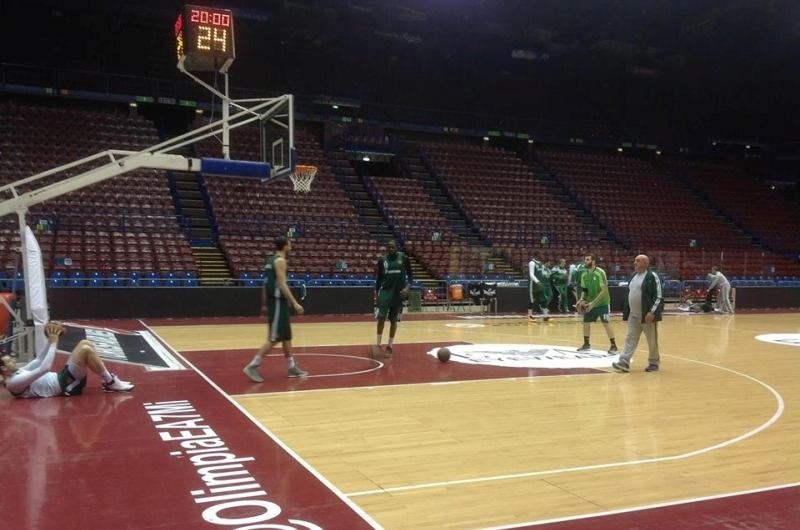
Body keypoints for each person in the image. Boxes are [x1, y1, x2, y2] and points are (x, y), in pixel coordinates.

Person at [1, 322, 135, 398]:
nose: (13, 360)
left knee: (86, 343)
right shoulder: (14, 383)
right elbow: (44, 368)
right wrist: (54, 343)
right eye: (10, 361)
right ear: (3, 369)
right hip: (65, 386)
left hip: (61, 379)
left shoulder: (16, 373)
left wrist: (50, 339)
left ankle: (109, 381)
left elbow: (38, 360)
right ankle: (110, 382)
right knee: (85, 349)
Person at [243, 236, 308, 382]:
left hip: (277, 302)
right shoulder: (280, 261)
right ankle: (253, 366)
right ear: (285, 246)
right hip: (278, 302)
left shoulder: (270, 260)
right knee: (274, 338)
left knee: (286, 336)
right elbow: (283, 285)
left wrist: (264, 303)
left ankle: (291, 367)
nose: (291, 245)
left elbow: (265, 284)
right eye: (289, 243)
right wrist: (295, 303)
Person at [612, 254, 664, 372]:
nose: (634, 262)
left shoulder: (652, 276)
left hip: (647, 317)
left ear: (645, 263)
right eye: (635, 260)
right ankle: (624, 362)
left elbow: (659, 296)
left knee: (652, 340)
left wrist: (652, 312)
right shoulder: (634, 275)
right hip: (633, 315)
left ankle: (653, 362)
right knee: (630, 338)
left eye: (638, 261)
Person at [373, 240, 413, 359]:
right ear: (386, 248)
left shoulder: (404, 258)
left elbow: (411, 276)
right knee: (381, 317)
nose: (391, 249)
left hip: (398, 294)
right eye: (389, 247)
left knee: (393, 320)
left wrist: (407, 287)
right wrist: (376, 292)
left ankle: (390, 346)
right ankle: (378, 344)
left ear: (396, 248)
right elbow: (379, 278)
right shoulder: (382, 260)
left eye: (393, 247)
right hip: (385, 292)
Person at [577, 253, 618, 353]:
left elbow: (604, 290)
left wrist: (593, 304)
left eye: (587, 259)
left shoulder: (600, 272)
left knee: (606, 323)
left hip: (602, 303)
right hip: (589, 303)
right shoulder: (584, 274)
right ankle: (586, 344)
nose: (585, 261)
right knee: (586, 323)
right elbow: (584, 289)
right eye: (585, 260)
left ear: (593, 261)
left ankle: (613, 345)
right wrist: (581, 299)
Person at [527, 250, 550, 321]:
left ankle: (545, 316)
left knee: (543, 299)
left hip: (540, 284)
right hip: (533, 284)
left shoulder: (540, 264)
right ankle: (530, 316)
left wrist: (548, 275)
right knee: (531, 300)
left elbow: (542, 274)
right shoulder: (532, 263)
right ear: (537, 255)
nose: (542, 256)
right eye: (541, 254)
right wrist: (537, 282)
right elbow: (531, 274)